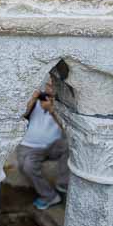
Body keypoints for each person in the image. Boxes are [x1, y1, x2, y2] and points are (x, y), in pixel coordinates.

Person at [16, 79, 69, 209]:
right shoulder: (36, 101)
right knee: (27, 166)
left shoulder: (63, 105)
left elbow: (66, 129)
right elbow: (21, 116)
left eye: (53, 86)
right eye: (48, 85)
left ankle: (63, 184)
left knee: (71, 145)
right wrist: (33, 99)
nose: (50, 89)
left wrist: (52, 110)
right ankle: (50, 196)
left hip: (53, 145)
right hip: (30, 146)